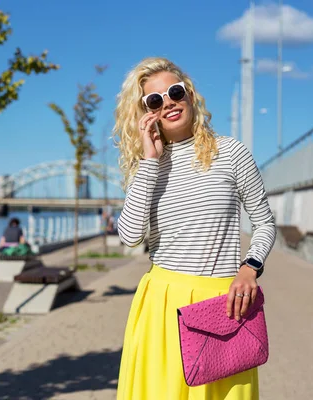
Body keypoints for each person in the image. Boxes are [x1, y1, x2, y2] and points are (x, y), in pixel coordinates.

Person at [113, 57, 276, 399]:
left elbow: (263, 223)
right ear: (146, 113)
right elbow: (129, 236)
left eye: (175, 92)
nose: (168, 102)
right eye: (154, 100)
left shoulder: (230, 152)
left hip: (224, 304)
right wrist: (149, 162)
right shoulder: (148, 166)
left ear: (189, 95)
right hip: (163, 303)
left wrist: (250, 268)